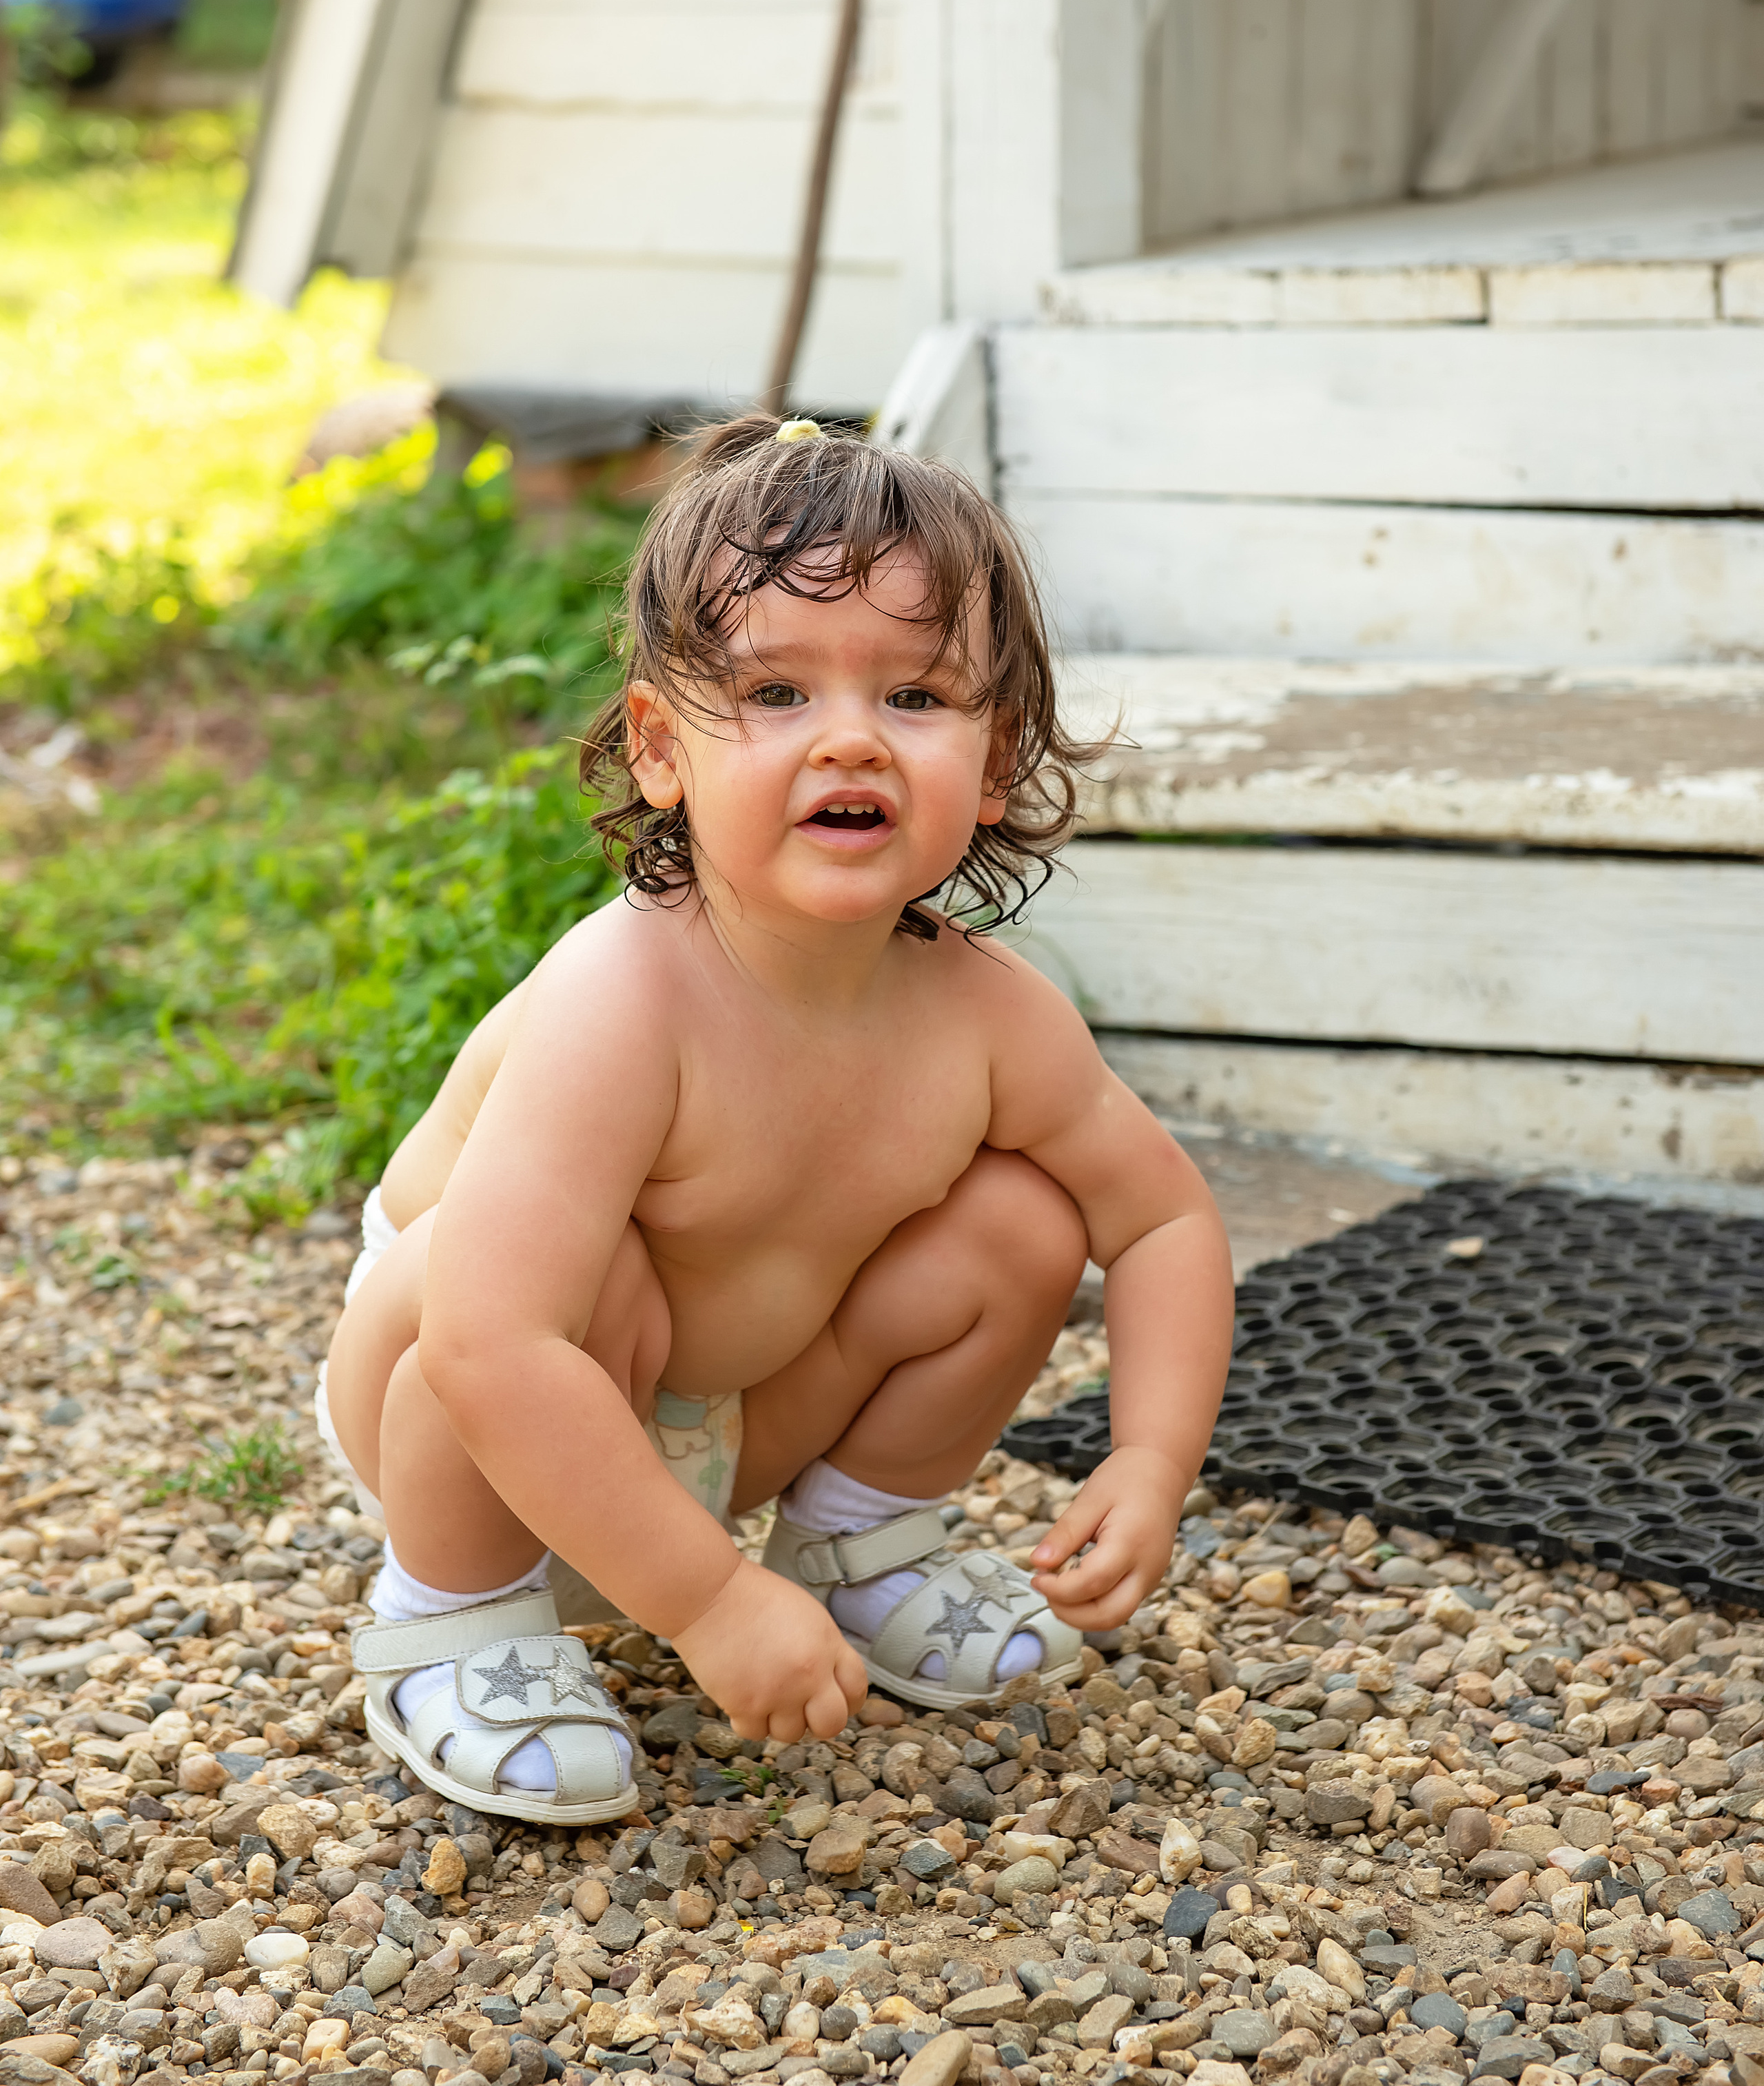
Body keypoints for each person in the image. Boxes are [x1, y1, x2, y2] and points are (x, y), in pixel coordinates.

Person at [320, 414, 1234, 1824]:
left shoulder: (989, 1016)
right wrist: (702, 1600)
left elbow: (1161, 1215)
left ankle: (861, 1546)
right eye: (776, 693)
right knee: (515, 1273)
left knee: (1023, 1219)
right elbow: (489, 1343)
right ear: (659, 749)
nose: (852, 738)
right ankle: (455, 1617)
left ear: (992, 765)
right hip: (482, 1415)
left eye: (918, 698)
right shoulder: (624, 998)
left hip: (736, 1409)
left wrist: (1150, 1456)